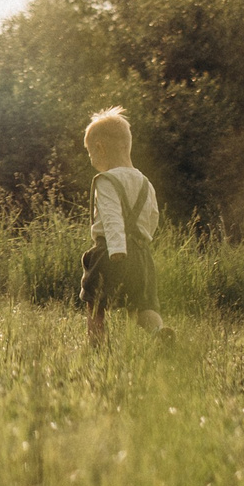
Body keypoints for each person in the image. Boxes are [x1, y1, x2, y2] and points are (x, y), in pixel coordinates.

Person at [77, 106, 168, 343]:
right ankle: (159, 333)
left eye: (89, 153)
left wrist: (117, 248)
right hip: (140, 252)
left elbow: (111, 216)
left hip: (110, 251)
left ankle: (97, 345)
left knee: (95, 303)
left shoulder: (106, 181)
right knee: (143, 305)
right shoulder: (145, 182)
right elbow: (153, 216)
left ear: (100, 147)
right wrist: (141, 241)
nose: (91, 159)